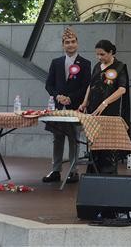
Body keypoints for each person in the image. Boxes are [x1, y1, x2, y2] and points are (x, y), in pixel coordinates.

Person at [43, 27, 91, 184]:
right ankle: (56, 170)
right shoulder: (56, 62)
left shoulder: (85, 63)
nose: (70, 45)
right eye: (67, 42)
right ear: (63, 45)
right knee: (57, 138)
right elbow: (49, 84)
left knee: (74, 139)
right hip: (58, 107)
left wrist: (70, 98)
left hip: (75, 107)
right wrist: (58, 96)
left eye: (73, 42)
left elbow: (86, 86)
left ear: (77, 43)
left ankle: (73, 171)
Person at [78, 39, 130, 174]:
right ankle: (93, 172)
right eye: (97, 54)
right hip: (94, 108)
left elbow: (122, 89)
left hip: (110, 109)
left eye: (102, 54)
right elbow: (91, 85)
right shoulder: (97, 66)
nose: (99, 57)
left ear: (111, 52)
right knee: (94, 142)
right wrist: (85, 102)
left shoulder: (120, 67)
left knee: (108, 144)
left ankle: (108, 172)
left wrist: (105, 102)